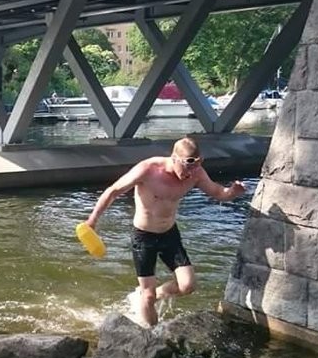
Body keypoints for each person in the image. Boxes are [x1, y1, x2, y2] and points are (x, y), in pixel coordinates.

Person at [84, 136, 245, 328]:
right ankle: (152, 335)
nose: (190, 174)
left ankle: (152, 296)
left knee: (188, 286)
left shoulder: (196, 173)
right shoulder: (148, 169)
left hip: (169, 234)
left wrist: (232, 192)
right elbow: (113, 191)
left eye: (195, 168)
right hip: (143, 237)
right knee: (148, 294)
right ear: (175, 158)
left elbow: (218, 192)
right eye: (187, 168)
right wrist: (93, 220)